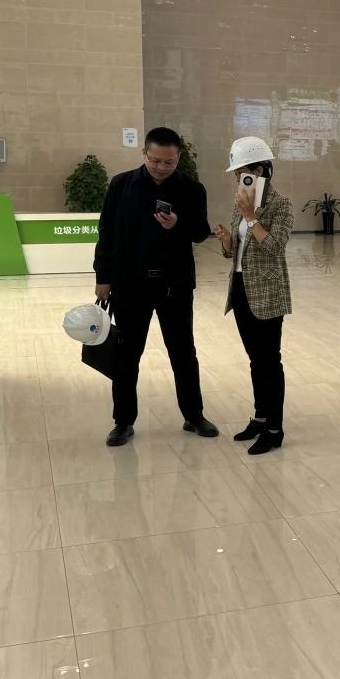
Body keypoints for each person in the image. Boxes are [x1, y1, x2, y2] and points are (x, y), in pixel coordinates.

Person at [94, 126, 218, 447]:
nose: (161, 167)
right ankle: (123, 421)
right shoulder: (122, 185)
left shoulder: (192, 189)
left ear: (178, 158)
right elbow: (106, 233)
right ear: (144, 154)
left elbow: (201, 232)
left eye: (169, 162)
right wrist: (103, 277)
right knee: (127, 354)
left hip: (174, 284)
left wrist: (179, 224)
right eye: (155, 160)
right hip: (130, 284)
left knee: (183, 352)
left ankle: (194, 415)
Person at [212, 137, 294, 456]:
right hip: (241, 289)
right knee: (255, 359)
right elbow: (236, 251)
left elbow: (274, 247)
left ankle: (274, 428)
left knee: (269, 360)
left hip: (267, 293)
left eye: (242, 173)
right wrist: (226, 241)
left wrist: (250, 217)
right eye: (237, 174)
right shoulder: (243, 201)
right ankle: (260, 418)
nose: (239, 179)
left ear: (260, 171)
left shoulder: (280, 204)